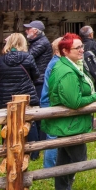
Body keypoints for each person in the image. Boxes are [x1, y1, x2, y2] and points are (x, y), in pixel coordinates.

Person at [41, 33, 96, 190]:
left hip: (70, 123)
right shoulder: (67, 72)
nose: (82, 50)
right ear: (65, 50)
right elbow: (74, 101)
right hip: (70, 123)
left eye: (82, 47)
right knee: (78, 157)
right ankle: (65, 189)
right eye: (78, 48)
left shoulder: (70, 66)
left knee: (65, 156)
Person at [0, 33, 40, 151]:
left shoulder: (0, 59)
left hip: (6, 96)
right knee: (29, 120)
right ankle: (32, 150)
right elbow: (36, 75)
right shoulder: (28, 57)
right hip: (25, 94)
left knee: (6, 122)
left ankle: (7, 148)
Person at [24, 20, 52, 153]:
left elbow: (28, 57)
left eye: (28, 29)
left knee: (40, 110)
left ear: (35, 31)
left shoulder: (42, 43)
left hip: (39, 80)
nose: (26, 31)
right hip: (37, 79)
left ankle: (42, 140)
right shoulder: (37, 42)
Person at [40, 38, 62, 169]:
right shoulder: (56, 64)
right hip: (51, 103)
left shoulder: (55, 62)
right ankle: (49, 168)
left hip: (49, 101)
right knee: (53, 136)